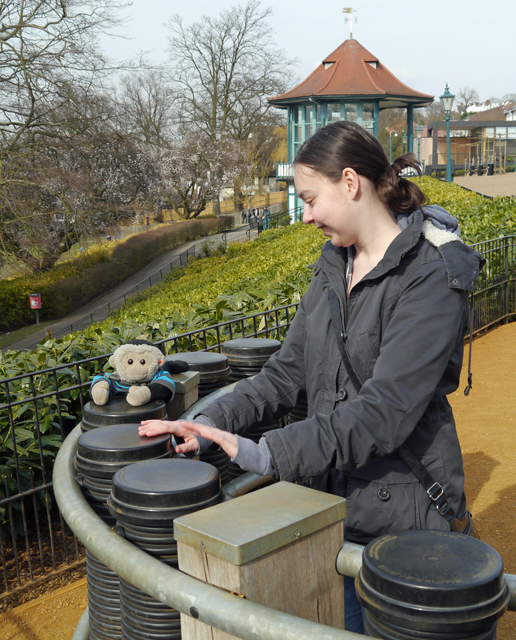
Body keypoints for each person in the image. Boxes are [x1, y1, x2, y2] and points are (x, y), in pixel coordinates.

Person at [139, 121, 484, 634]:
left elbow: (383, 415)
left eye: (309, 198)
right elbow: (284, 374)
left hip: (402, 519)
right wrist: (207, 423)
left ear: (350, 182)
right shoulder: (333, 267)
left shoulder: (430, 278)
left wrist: (266, 453)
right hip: (329, 508)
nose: (305, 216)